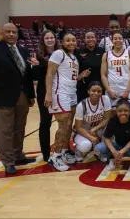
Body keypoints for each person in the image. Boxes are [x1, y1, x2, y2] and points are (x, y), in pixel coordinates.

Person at [0, 24, 36, 174]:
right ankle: (8, 161)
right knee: (4, 131)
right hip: (0, 96)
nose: (11, 34)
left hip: (21, 95)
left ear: (17, 34)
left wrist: (30, 95)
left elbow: (26, 74)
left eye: (13, 32)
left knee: (19, 128)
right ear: (1, 33)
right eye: (7, 32)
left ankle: (18, 155)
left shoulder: (22, 49)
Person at [45, 33, 90, 171]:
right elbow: (50, 74)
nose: (71, 42)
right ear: (62, 42)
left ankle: (64, 151)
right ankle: (55, 156)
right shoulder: (59, 53)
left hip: (71, 93)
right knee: (63, 125)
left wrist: (80, 76)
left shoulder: (74, 58)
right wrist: (48, 94)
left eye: (73, 40)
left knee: (69, 125)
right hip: (60, 94)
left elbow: (69, 77)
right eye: (68, 40)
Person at [32, 30, 60, 162]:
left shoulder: (61, 53)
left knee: (64, 122)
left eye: (52, 37)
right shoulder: (38, 56)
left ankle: (63, 149)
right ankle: (46, 153)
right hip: (44, 93)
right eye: (47, 38)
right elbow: (35, 77)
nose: (49, 39)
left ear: (55, 39)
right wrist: (37, 66)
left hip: (61, 91)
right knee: (45, 123)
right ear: (43, 40)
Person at [94, 98, 130, 171]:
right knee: (99, 148)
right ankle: (111, 159)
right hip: (117, 146)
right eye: (120, 111)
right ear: (116, 112)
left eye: (126, 111)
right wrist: (113, 151)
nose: (123, 113)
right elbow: (106, 138)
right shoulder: (113, 120)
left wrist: (122, 151)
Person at [73, 82, 112, 161]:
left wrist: (95, 129)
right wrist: (90, 137)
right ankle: (78, 150)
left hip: (97, 129)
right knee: (86, 146)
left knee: (111, 129)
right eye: (93, 91)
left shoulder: (105, 99)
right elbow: (78, 128)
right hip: (83, 131)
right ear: (88, 91)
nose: (96, 93)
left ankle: (100, 152)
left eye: (99, 91)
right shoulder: (81, 105)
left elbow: (107, 119)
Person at [101, 32, 130, 116]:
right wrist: (109, 90)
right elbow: (103, 75)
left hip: (127, 89)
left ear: (123, 40)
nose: (117, 40)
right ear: (112, 41)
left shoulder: (129, 54)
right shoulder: (106, 55)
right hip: (112, 90)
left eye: (120, 38)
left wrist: (128, 90)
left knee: (129, 114)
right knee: (113, 116)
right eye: (115, 38)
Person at [75, 31, 105, 102]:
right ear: (84, 40)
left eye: (92, 37)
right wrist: (80, 76)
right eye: (88, 38)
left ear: (96, 39)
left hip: (99, 85)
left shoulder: (102, 51)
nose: (90, 39)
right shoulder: (78, 52)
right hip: (83, 86)